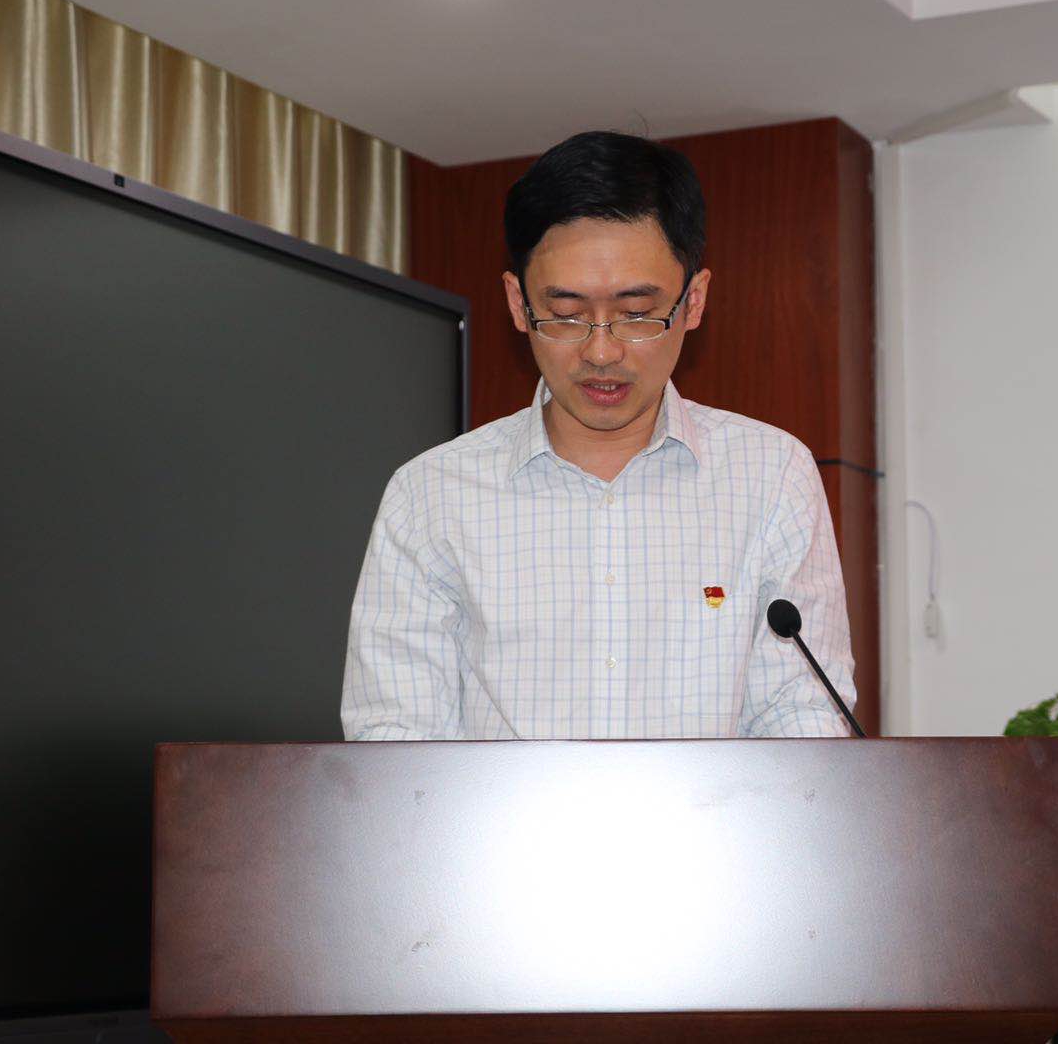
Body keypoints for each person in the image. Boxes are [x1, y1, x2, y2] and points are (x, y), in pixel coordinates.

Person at [340, 130, 855, 740]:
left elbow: (802, 716)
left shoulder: (771, 475)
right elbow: (396, 737)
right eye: (565, 315)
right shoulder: (430, 495)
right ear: (517, 303)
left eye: (637, 314)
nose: (601, 351)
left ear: (693, 301)